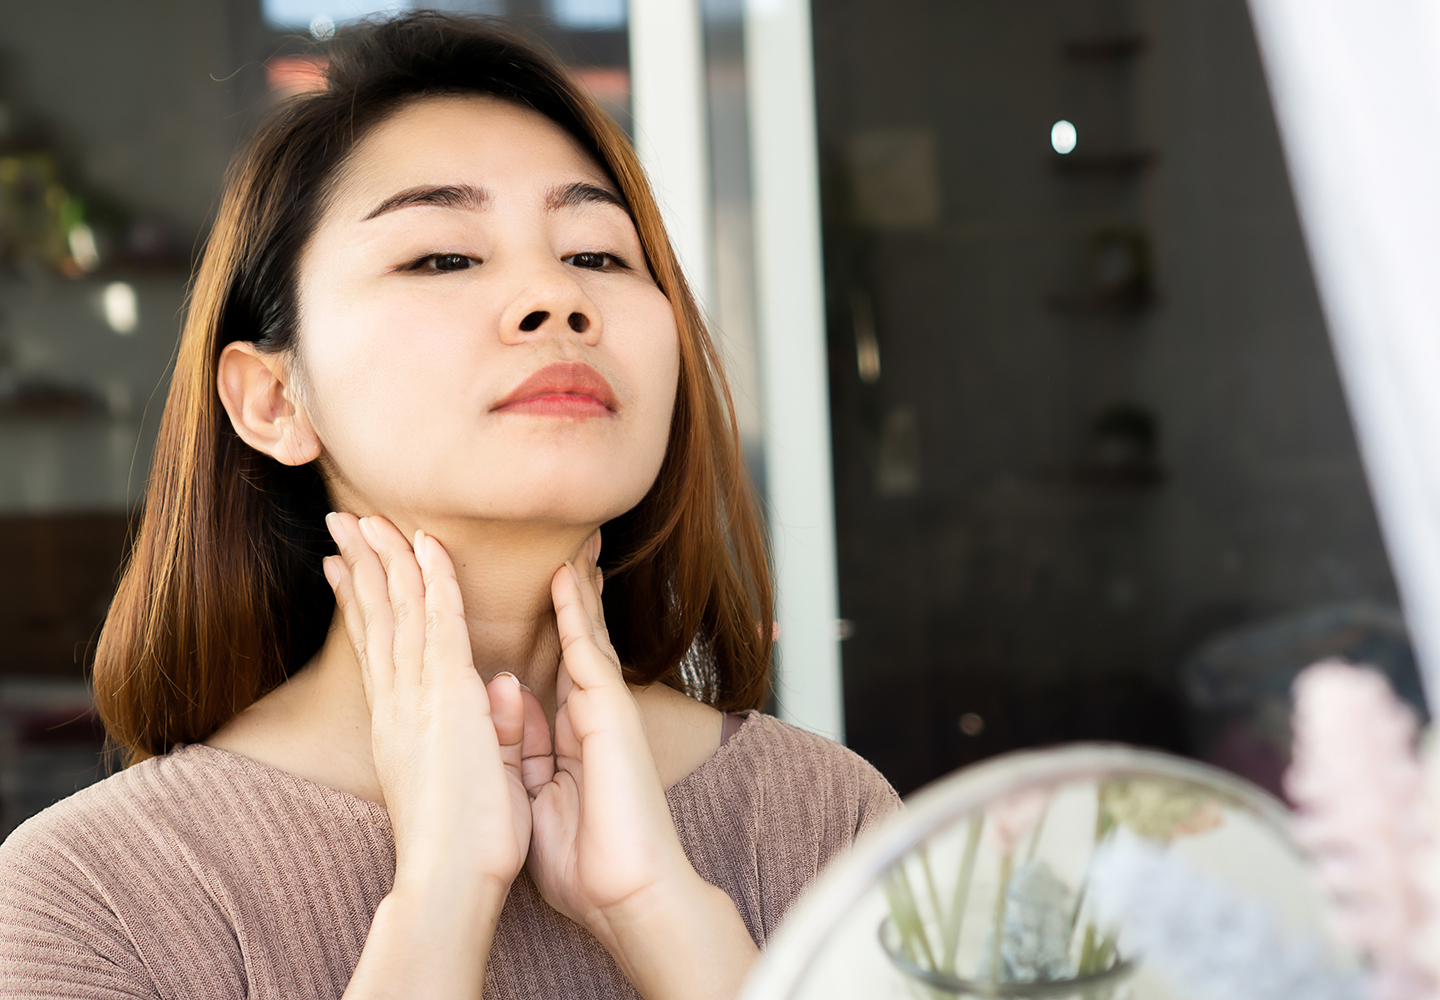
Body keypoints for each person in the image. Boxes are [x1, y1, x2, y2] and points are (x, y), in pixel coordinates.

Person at [0, 13, 898, 1000]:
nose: (555, 301)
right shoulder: (92, 895)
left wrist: (664, 915)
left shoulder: (829, 821)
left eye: (597, 254)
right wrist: (439, 901)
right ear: (271, 398)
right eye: (443, 257)